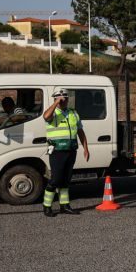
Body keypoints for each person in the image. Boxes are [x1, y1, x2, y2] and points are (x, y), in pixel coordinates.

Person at [42, 89, 89, 217]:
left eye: (65, 98)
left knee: (66, 180)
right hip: (57, 151)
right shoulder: (53, 113)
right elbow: (45, 117)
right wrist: (56, 102)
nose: (63, 101)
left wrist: (86, 148)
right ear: (55, 100)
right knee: (56, 179)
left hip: (71, 150)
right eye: (60, 99)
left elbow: (80, 131)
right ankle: (47, 206)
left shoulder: (73, 113)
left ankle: (65, 206)